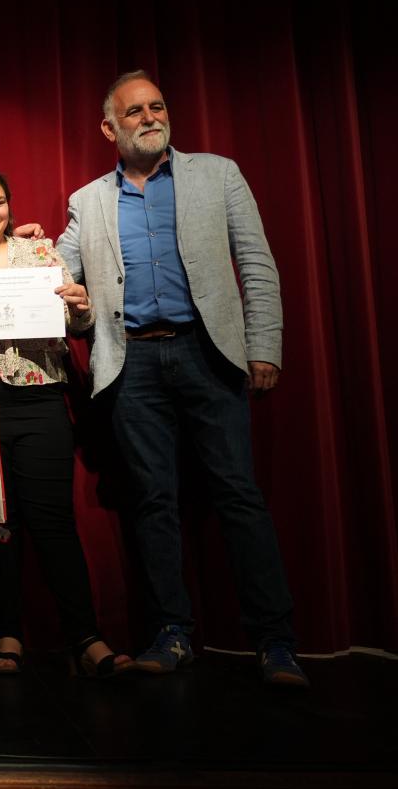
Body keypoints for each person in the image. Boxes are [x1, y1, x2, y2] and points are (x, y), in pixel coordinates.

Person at [56, 71, 306, 687]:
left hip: (208, 354)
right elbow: (61, 290)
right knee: (152, 503)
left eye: (157, 106)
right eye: (134, 111)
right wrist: (42, 265)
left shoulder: (218, 174)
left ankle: (275, 643)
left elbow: (256, 262)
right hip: (129, 364)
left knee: (238, 495)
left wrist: (263, 345)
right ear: (108, 128)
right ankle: (172, 634)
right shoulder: (86, 202)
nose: (149, 117)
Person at [0, 166, 131, 678]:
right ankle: (7, 630)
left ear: (9, 206)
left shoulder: (40, 255)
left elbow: (77, 322)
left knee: (53, 522)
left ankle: (86, 636)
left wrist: (81, 306)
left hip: (41, 397)